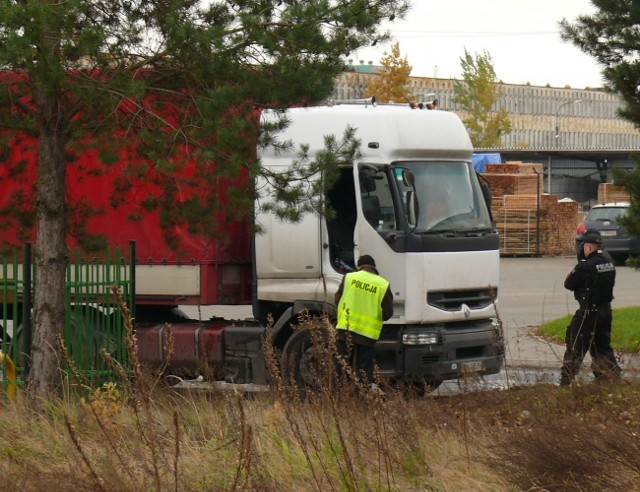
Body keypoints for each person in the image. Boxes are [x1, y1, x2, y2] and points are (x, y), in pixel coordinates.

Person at [560, 233, 621, 386]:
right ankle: (611, 380)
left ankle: (565, 382)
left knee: (575, 349)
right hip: (606, 312)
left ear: (588, 247)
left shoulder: (584, 266)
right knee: (602, 348)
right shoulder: (609, 264)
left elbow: (568, 284)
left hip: (589, 313)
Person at [334, 254, 393, 387]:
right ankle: (362, 399)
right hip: (367, 335)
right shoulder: (382, 284)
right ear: (374, 268)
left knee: (341, 367)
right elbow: (388, 313)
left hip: (346, 331)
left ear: (359, 267)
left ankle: (338, 399)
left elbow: (337, 299)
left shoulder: (349, 278)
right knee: (364, 371)